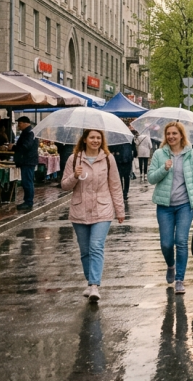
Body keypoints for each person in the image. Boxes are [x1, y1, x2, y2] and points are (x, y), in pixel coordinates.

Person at [61, 129, 125, 303]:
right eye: (92, 137)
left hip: (102, 209)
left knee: (96, 246)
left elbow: (115, 185)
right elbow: (64, 186)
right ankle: (90, 283)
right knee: (84, 250)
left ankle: (94, 285)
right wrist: (74, 175)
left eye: (98, 138)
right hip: (79, 209)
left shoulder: (108, 159)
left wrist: (120, 210)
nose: (95, 140)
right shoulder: (74, 159)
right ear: (85, 139)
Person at [149, 121, 193, 295]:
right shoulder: (159, 154)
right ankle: (171, 265)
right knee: (166, 244)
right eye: (168, 134)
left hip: (184, 205)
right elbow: (151, 178)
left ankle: (180, 279)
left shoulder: (190, 154)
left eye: (175, 133)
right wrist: (164, 169)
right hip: (164, 206)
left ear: (181, 135)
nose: (171, 137)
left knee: (181, 241)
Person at [12, 116, 38, 211]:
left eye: (20, 124)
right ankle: (27, 201)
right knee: (27, 181)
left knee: (27, 182)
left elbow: (26, 146)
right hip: (26, 160)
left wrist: (14, 148)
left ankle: (28, 202)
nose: (19, 126)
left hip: (28, 160)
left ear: (25, 123)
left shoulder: (29, 133)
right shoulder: (27, 132)